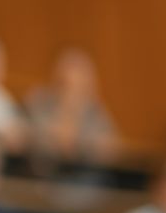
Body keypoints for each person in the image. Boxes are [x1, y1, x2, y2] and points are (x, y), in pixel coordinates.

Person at [24, 47, 117, 178]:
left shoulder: (95, 110)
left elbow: (107, 149)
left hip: (83, 178)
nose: (72, 84)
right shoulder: (38, 101)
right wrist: (67, 111)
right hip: (42, 176)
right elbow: (51, 142)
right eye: (67, 81)